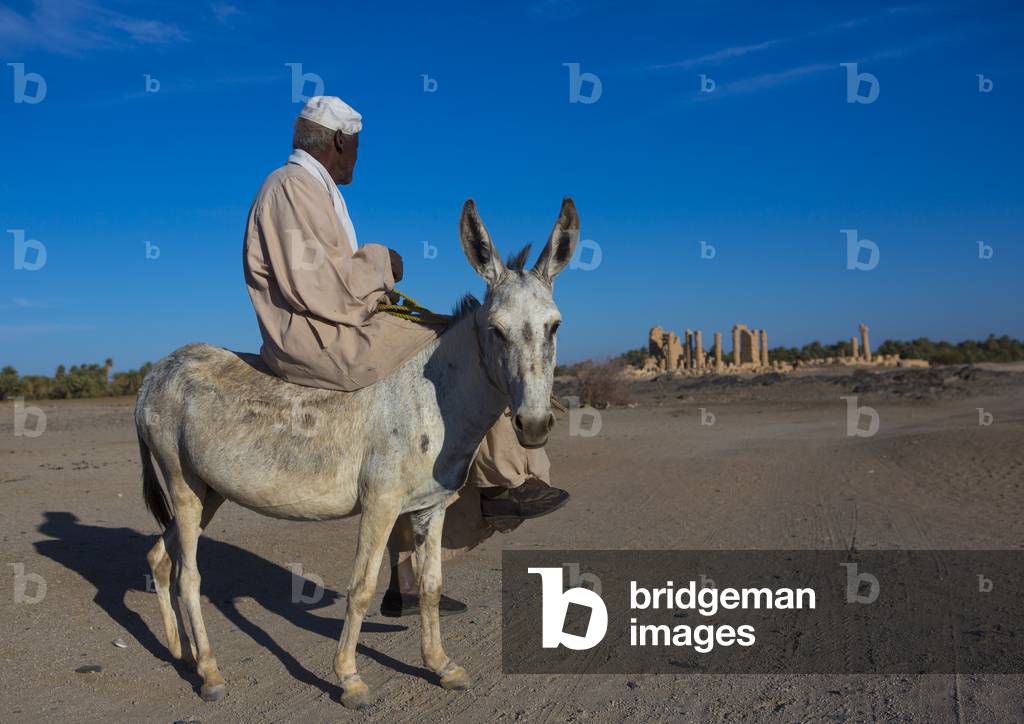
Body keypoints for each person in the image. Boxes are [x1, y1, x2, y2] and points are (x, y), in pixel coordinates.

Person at [243, 96, 569, 616]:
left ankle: (408, 580)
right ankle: (509, 480)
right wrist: (382, 263)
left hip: (336, 325)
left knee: (422, 410)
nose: (357, 159)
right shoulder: (288, 188)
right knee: (463, 343)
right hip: (315, 336)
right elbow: (320, 287)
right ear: (340, 143)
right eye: (356, 148)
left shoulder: (311, 189)